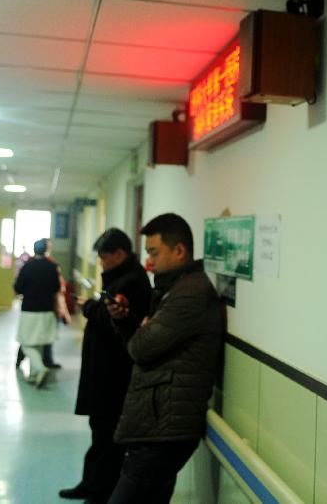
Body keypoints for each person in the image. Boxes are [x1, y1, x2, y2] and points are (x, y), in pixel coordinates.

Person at [106, 214, 224, 503]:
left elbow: (141, 349)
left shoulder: (189, 295)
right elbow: (145, 342)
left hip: (165, 429)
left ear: (179, 250)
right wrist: (127, 321)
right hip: (161, 420)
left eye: (155, 253)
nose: (150, 262)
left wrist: (141, 330)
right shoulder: (173, 289)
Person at [59, 229, 151, 503]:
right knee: (98, 432)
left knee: (108, 438)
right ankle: (89, 484)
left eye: (104, 257)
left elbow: (109, 318)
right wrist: (95, 307)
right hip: (102, 371)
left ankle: (99, 492)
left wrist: (90, 308)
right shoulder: (120, 276)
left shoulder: (133, 281)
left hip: (115, 374)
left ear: (120, 254)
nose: (101, 263)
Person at [13, 238, 61, 388]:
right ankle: (34, 375)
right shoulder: (52, 267)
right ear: (46, 250)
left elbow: (18, 287)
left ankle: (40, 369)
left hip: (30, 310)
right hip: (47, 310)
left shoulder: (28, 266)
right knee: (39, 343)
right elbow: (56, 287)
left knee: (27, 342)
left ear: (34, 250)